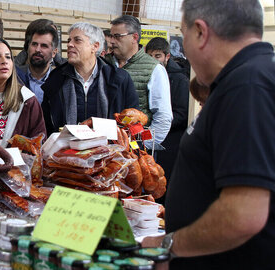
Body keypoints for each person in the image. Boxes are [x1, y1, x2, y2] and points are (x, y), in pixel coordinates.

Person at [142, 1, 275, 269]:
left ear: (201, 32)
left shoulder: (247, 86)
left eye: (185, 33)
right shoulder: (245, 80)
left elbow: (243, 215)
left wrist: (167, 246)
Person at [42, 22, 139, 135]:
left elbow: (133, 123)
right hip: (66, 150)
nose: (69, 44)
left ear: (95, 46)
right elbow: (46, 124)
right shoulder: (55, 80)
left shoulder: (119, 79)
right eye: (69, 40)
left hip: (110, 150)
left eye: (77, 40)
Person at [110, 15, 172, 148]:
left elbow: (163, 117)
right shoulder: (104, 64)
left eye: (118, 36)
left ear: (134, 37)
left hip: (136, 151)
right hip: (104, 149)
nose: (112, 41)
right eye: (111, 36)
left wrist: (141, 145)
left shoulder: (154, 69)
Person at [146, 37, 189, 201]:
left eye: (157, 56)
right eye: (150, 56)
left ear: (167, 56)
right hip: (154, 139)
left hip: (171, 142)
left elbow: (183, 112)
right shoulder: (150, 74)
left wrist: (161, 120)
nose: (154, 61)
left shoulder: (180, 80)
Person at [17, 19, 59, 103]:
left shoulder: (60, 82)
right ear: (28, 46)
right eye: (34, 44)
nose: (37, 50)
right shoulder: (15, 77)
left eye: (44, 46)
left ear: (54, 53)